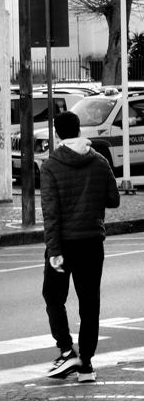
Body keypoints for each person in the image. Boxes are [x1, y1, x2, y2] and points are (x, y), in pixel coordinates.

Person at [40, 109, 120, 382]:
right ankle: (86, 364)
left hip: (63, 244)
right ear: (78, 129)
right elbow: (114, 199)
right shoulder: (98, 160)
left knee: (53, 296)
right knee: (89, 303)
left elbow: (50, 214)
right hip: (92, 243)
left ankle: (66, 350)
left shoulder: (51, 166)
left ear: (57, 132)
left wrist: (54, 251)